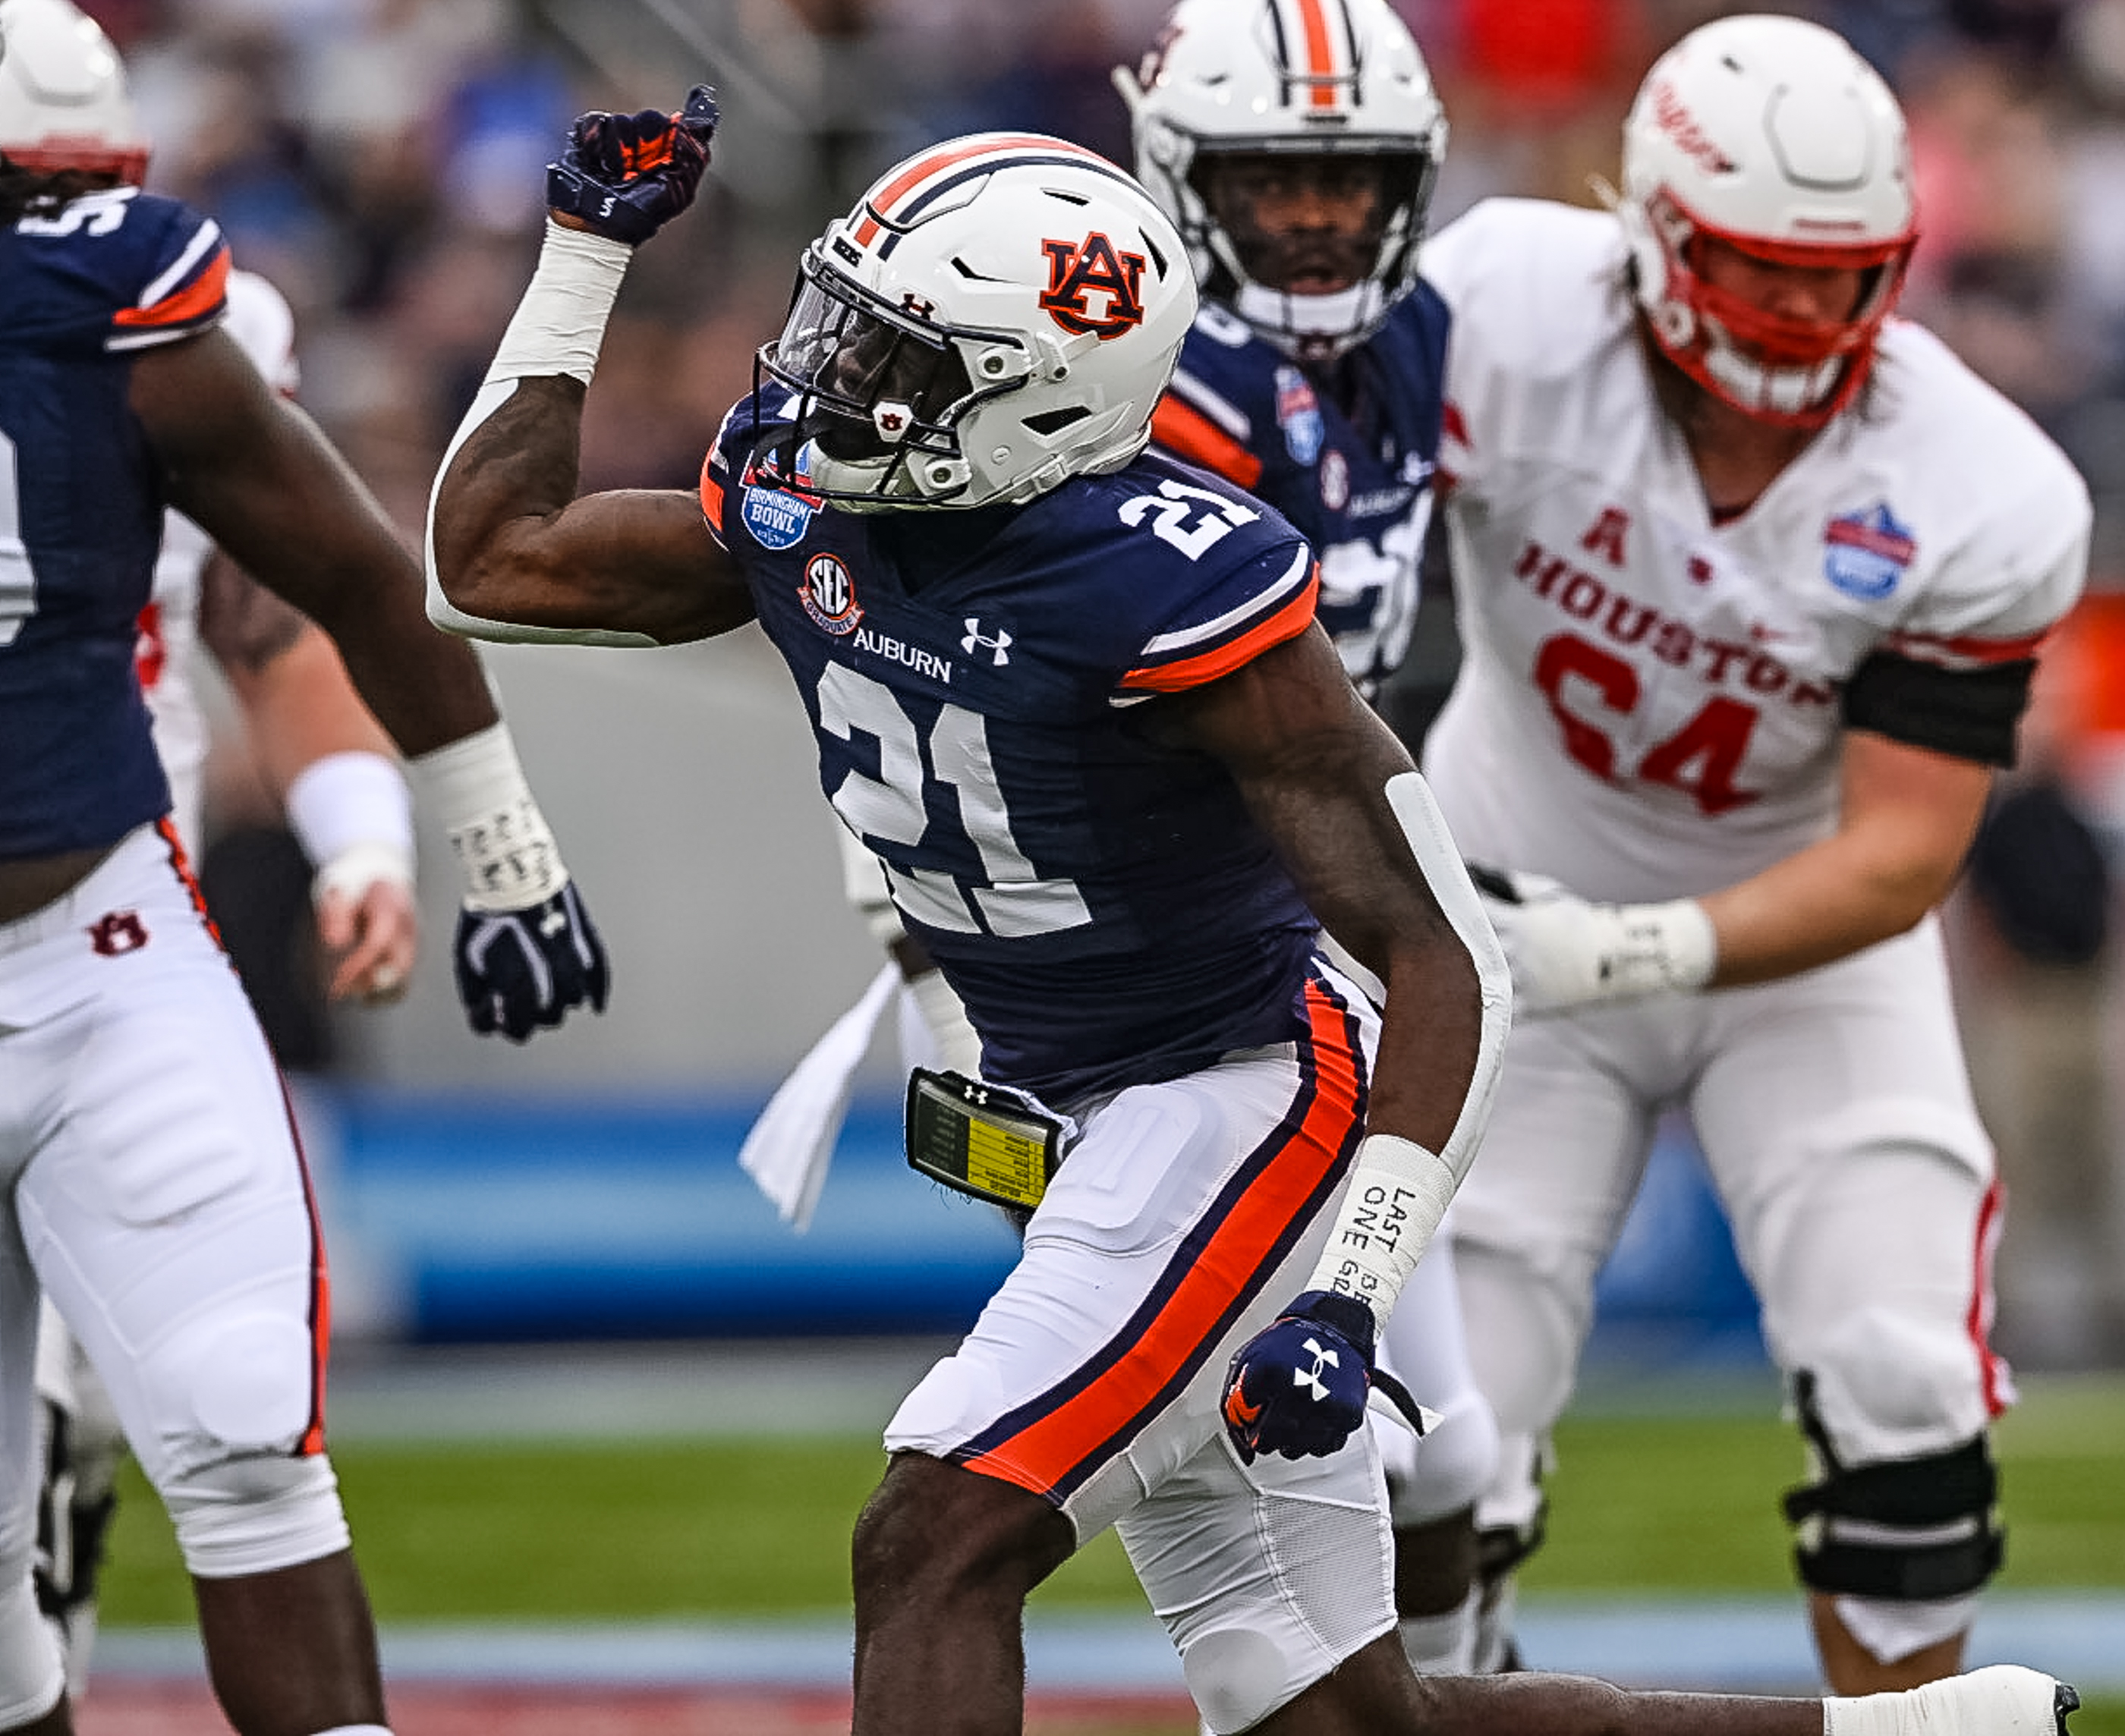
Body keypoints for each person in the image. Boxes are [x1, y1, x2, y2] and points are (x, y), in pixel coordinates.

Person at [425, 86, 2075, 1736]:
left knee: (937, 1530)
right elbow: (488, 558)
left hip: (1232, 1101)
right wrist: (582, 254)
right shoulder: (812, 496)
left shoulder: (1174, 588)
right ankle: (1923, 1731)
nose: (824, 383)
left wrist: (1352, 1289)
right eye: (842, 330)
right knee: (1340, 1720)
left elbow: (1446, 960)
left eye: (891, 359)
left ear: (1029, 399)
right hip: (1076, 1109)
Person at [0, 2, 607, 1733]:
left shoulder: (104, 303)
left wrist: (478, 832)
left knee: (243, 1419)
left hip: (100, 948)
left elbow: (328, 577)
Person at [1402, 12, 2093, 1690]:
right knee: (1435, 1431)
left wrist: (1637, 948)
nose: (1799, 310)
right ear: (1650, 225)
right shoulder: (1497, 305)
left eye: (1838, 270)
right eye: (1757, 267)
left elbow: (1904, 848)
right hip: (1498, 897)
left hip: (1807, 951)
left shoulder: (1982, 486)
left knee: (1903, 1381)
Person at [0, 0, 424, 1699]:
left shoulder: (175, 336)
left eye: (95, 186)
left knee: (218, 1410)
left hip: (116, 937)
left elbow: (276, 621)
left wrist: (361, 832)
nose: (67, 227)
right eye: (35, 189)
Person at [1113, 0, 1497, 1676]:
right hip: (1158, 966)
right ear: (1186, 174)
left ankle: (1477, 1692)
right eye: (1276, 181)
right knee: (1316, 1446)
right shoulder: (1127, 380)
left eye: (1351, 182)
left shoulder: (1415, 340)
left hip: (1335, 927)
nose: (1323, 217)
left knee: (1459, 1454)